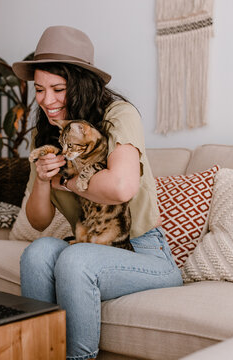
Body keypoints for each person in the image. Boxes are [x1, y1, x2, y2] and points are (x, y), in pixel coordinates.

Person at [12, 25, 183, 360]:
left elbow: (121, 187)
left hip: (145, 253)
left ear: (80, 84)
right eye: (40, 89)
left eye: (58, 89)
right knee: (36, 253)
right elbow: (38, 220)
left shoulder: (118, 115)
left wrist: (68, 182)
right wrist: (44, 180)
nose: (47, 100)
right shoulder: (48, 134)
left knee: (75, 260)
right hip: (91, 242)